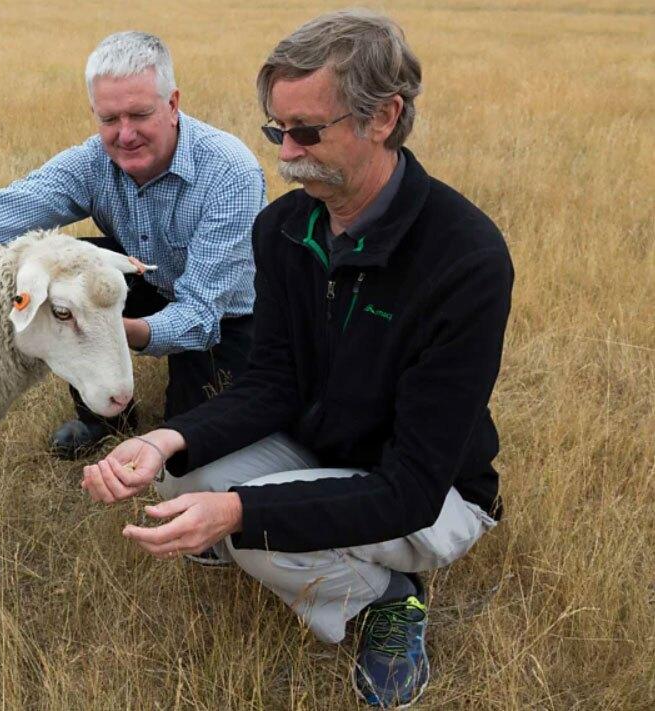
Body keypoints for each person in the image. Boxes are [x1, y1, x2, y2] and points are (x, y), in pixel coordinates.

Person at [80, 10, 513, 708]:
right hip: (321, 447)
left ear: (383, 117)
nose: (285, 155)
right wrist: (164, 438)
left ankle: (388, 598)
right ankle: (282, 535)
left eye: (306, 132)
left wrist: (239, 512)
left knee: (256, 532)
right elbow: (272, 383)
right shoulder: (282, 229)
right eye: (275, 131)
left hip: (436, 495)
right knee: (180, 476)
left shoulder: (464, 257)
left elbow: (411, 487)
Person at [0, 31, 265, 459]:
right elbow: (21, 201)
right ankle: (105, 421)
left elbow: (202, 314)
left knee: (189, 447)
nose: (125, 135)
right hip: (146, 276)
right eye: (109, 119)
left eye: (140, 115)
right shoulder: (93, 161)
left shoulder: (230, 173)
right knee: (68, 273)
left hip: (225, 314)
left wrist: (106, 329)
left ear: (172, 104)